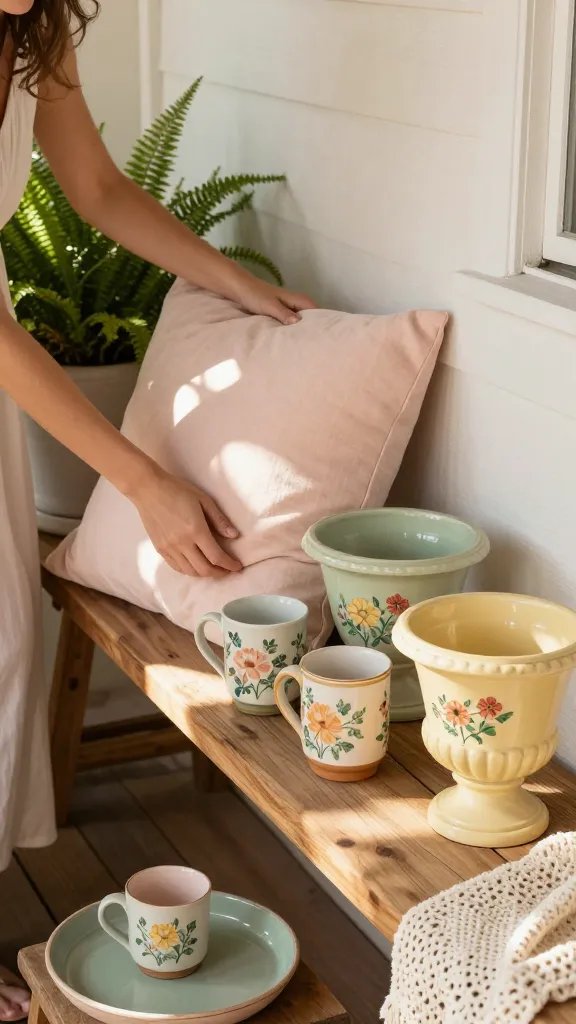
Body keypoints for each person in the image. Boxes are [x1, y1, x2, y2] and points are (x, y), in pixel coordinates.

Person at [0, 1, 315, 1017]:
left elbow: (90, 184)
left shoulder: (31, 32)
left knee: (5, 650)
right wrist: (140, 480)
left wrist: (233, 283)